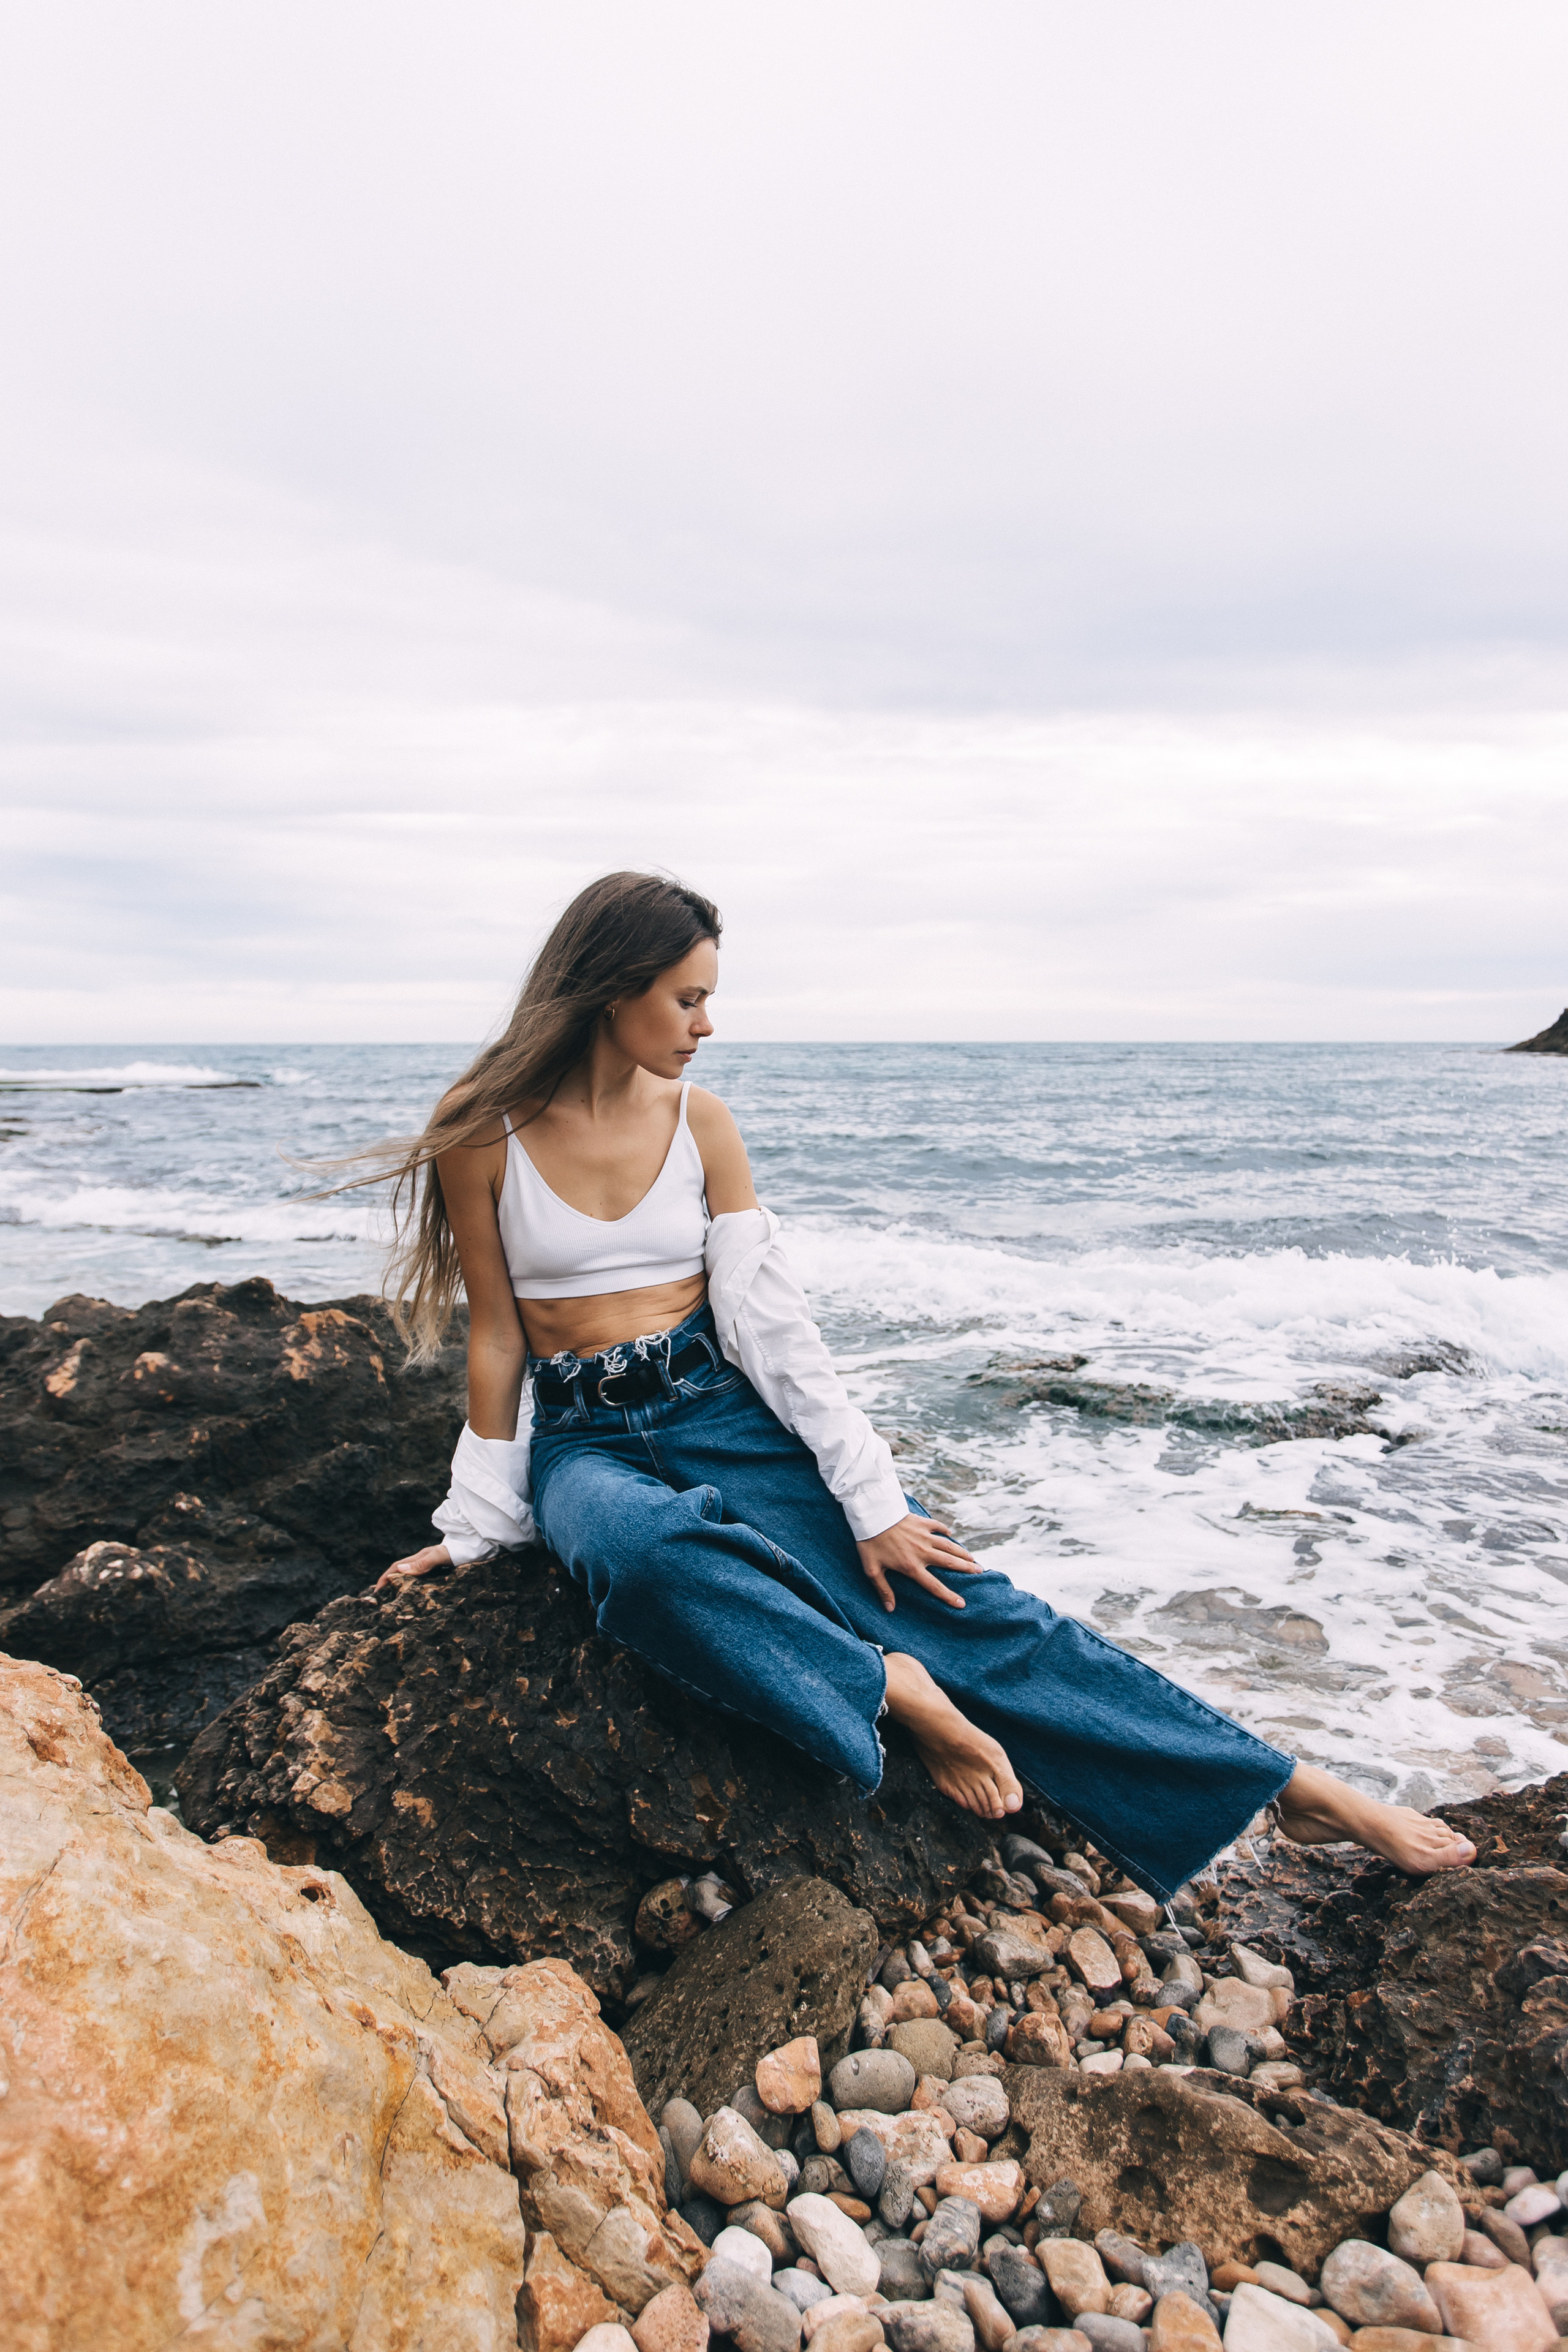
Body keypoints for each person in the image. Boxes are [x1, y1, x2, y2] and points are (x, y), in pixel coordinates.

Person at [371, 870, 1474, 1893]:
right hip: (585, 1444)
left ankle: (1293, 1790)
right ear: (615, 992)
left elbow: (769, 1324)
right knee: (643, 1562)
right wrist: (478, 1527)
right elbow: (500, 1340)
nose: (709, 1025)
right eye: (688, 999)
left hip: (716, 1409)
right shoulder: (484, 1127)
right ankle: (886, 1687)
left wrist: (873, 1501)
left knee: (974, 1610)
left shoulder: (700, 1123)